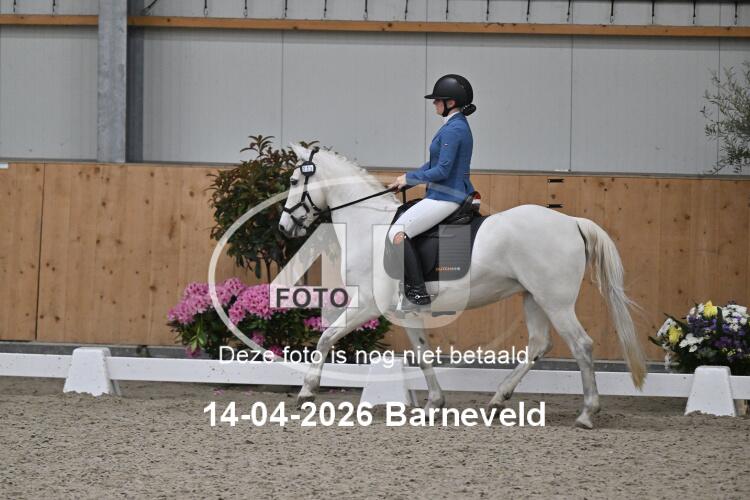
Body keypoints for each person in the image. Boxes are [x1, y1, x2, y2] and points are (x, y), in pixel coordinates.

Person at [387, 74, 477, 308]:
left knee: (397, 232)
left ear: (451, 103)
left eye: (438, 100)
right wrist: (407, 180)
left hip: (446, 196)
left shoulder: (454, 129)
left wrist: (410, 178)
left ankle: (417, 291)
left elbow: (442, 170)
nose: (435, 103)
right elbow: (433, 163)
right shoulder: (454, 126)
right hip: (445, 193)